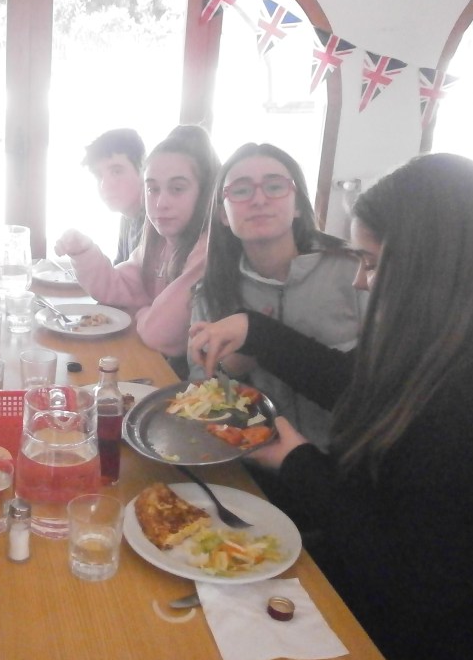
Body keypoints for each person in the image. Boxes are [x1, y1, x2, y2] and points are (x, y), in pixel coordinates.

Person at [188, 153, 473, 660]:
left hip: (421, 651)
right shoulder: (443, 347)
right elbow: (357, 386)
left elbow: (406, 575)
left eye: (371, 263)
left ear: (428, 267)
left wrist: (297, 461)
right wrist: (256, 330)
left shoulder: (472, 400)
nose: (360, 280)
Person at [190, 143, 366, 447]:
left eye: (274, 186)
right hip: (257, 454)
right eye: (241, 190)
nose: (259, 199)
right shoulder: (211, 291)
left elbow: (386, 383)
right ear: (223, 214)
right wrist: (227, 371)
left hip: (352, 456)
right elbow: (196, 389)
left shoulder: (356, 271)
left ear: (297, 205)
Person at [55, 125, 219, 375]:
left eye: (177, 189)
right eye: (153, 189)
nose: (161, 203)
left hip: (193, 381)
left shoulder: (206, 248)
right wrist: (84, 251)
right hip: (159, 363)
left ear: (205, 192)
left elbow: (158, 333)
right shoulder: (157, 238)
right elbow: (116, 287)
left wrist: (142, 311)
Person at [81, 128, 147, 264]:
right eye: (99, 175)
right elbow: (118, 269)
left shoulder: (159, 222)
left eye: (116, 171)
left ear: (143, 169)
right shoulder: (127, 217)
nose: (104, 185)